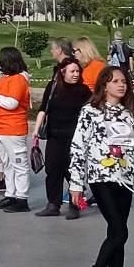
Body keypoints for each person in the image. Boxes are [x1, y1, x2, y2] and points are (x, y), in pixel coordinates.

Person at [69, 66, 134, 267]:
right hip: (101, 177)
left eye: (123, 81)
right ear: (104, 85)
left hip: (124, 180)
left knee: (118, 235)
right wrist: (77, 183)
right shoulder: (90, 111)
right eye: (115, 81)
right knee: (119, 232)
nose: (121, 85)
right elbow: (78, 148)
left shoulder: (129, 114)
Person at [32, 56, 87, 218]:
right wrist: (36, 130)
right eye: (72, 71)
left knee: (73, 172)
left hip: (74, 138)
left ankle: (75, 205)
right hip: (54, 136)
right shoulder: (53, 87)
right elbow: (43, 109)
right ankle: (53, 204)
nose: (76, 74)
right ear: (63, 73)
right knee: (53, 170)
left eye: (78, 71)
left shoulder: (83, 91)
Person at [0, 46, 32, 211]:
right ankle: (11, 194)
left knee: (18, 163)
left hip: (13, 128)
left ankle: (22, 198)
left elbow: (11, 103)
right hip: (0, 127)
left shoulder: (19, 79)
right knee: (7, 164)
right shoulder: (5, 79)